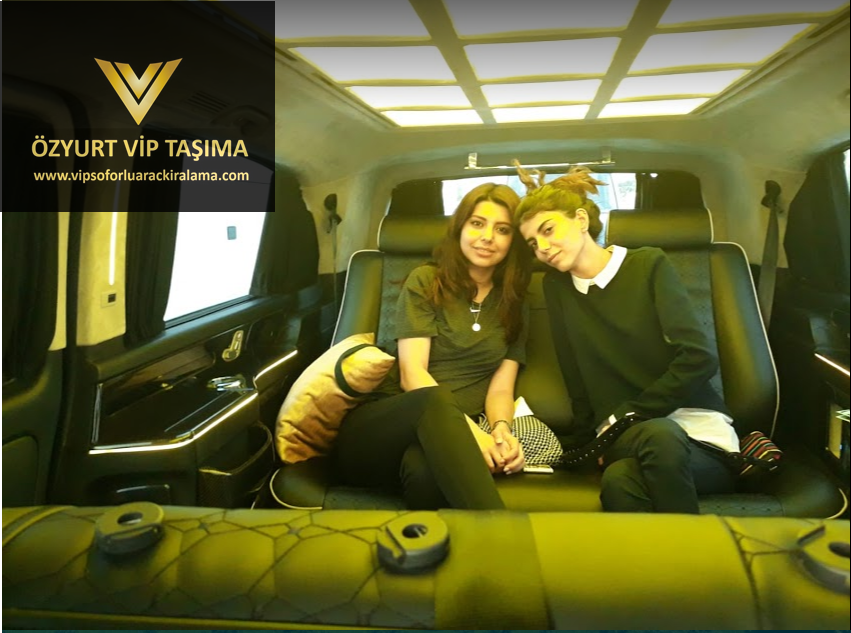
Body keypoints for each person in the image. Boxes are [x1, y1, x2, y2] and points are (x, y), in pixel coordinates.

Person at [514, 165, 737, 514]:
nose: (542, 248)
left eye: (548, 230)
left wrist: (628, 415)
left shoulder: (648, 265)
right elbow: (575, 377)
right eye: (532, 243)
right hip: (630, 436)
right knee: (654, 440)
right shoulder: (557, 287)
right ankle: (696, 548)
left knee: (622, 480)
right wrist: (592, 441)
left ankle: (678, 550)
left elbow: (699, 356)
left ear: (581, 220)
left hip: (698, 434)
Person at [332, 183, 531, 510]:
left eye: (502, 229)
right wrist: (471, 436)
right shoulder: (426, 281)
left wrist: (500, 432)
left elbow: (500, 387)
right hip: (385, 427)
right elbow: (412, 375)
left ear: (513, 240)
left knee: (424, 472)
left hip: (441, 440)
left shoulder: (514, 301)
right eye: (477, 223)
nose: (487, 237)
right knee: (434, 400)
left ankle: (440, 542)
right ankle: (504, 535)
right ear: (460, 227)